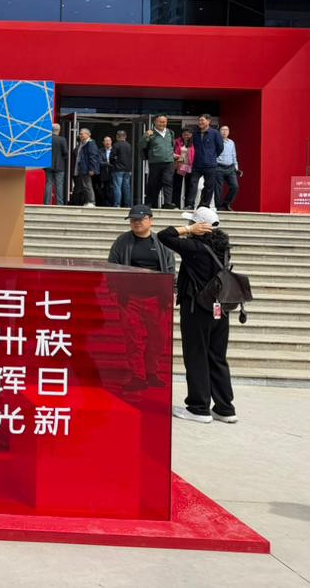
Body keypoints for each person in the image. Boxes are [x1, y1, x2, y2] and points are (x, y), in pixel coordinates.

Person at [158, 207, 237, 424]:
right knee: (217, 357)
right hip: (220, 310)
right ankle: (225, 408)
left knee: (196, 356)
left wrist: (188, 230)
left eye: (193, 223)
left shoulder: (194, 248)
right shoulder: (223, 247)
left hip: (197, 310)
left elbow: (164, 235)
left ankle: (199, 407)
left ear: (199, 226)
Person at [107, 204, 175, 391]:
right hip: (130, 299)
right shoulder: (122, 242)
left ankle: (151, 372)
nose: (136, 222)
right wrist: (114, 291)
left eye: (140, 219)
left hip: (156, 299)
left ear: (150, 220)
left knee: (159, 338)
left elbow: (170, 268)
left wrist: (171, 291)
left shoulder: (161, 243)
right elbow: (111, 267)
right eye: (133, 220)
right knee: (133, 338)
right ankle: (138, 375)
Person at [189, 113, 224, 209]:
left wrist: (211, 156)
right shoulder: (195, 133)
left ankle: (204, 204)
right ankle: (190, 204)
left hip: (210, 164)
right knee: (193, 184)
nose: (200, 122)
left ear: (208, 121)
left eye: (202, 120)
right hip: (197, 164)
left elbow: (220, 147)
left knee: (208, 186)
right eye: (199, 120)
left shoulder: (215, 133)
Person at [143, 116, 175, 208]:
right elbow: (142, 145)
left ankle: (167, 203)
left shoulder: (170, 132)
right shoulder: (150, 133)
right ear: (155, 122)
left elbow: (171, 146)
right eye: (160, 122)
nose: (162, 124)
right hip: (155, 162)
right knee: (153, 183)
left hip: (168, 162)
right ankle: (150, 203)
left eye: (164, 122)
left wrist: (172, 155)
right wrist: (146, 136)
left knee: (168, 182)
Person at [72, 128, 100, 207]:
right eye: (80, 134)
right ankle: (87, 201)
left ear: (88, 134)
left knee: (87, 185)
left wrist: (92, 169)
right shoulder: (82, 144)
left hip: (87, 168)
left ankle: (91, 201)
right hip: (81, 168)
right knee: (83, 186)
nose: (80, 135)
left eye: (82, 134)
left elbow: (93, 157)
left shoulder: (90, 143)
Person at [217, 125, 241, 211]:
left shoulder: (231, 142)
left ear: (229, 132)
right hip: (219, 167)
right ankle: (218, 206)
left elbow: (234, 155)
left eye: (226, 130)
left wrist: (236, 168)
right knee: (218, 188)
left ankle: (226, 203)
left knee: (235, 186)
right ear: (219, 132)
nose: (224, 132)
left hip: (230, 168)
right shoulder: (217, 141)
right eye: (222, 130)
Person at [44, 123, 67, 206]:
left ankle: (47, 203)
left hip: (48, 165)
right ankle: (59, 203)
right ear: (59, 130)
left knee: (49, 184)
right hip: (59, 166)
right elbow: (66, 152)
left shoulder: (47, 139)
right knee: (59, 185)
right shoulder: (62, 140)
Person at [172, 128, 195, 210]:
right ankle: (175, 204)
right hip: (179, 166)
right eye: (184, 134)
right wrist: (176, 156)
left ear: (191, 135)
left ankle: (188, 205)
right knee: (177, 186)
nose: (186, 136)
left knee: (189, 187)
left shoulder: (194, 143)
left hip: (190, 167)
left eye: (188, 134)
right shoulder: (177, 142)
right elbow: (171, 152)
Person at [112, 130, 134, 208]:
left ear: (117, 137)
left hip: (118, 169)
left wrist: (113, 163)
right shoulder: (129, 145)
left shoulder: (116, 145)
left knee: (117, 186)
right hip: (128, 169)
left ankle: (117, 204)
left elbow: (112, 157)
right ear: (125, 137)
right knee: (126, 187)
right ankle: (127, 204)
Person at [98, 135, 115, 206]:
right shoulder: (100, 151)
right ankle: (106, 204)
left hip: (113, 173)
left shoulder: (114, 150)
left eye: (109, 141)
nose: (107, 142)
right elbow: (99, 161)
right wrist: (107, 163)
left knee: (113, 189)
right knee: (105, 189)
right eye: (106, 141)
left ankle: (113, 203)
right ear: (103, 142)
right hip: (104, 173)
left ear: (111, 142)